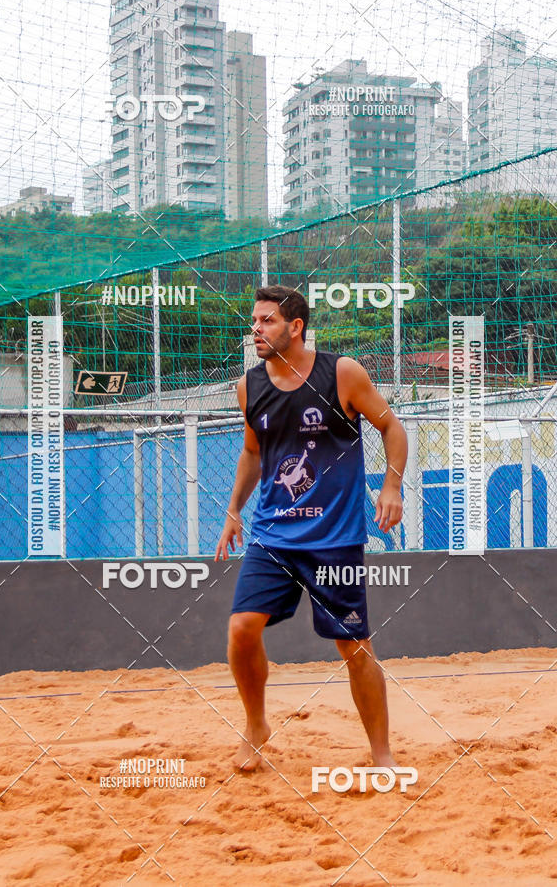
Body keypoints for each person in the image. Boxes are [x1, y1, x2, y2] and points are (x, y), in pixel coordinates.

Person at [214, 285, 407, 771]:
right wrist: (234, 510)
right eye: (254, 321)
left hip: (335, 539)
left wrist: (391, 487)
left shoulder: (341, 373)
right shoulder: (248, 387)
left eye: (267, 321)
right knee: (241, 629)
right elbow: (254, 453)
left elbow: (392, 428)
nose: (255, 329)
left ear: (295, 327)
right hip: (273, 536)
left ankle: (381, 754)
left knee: (354, 646)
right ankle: (256, 725)